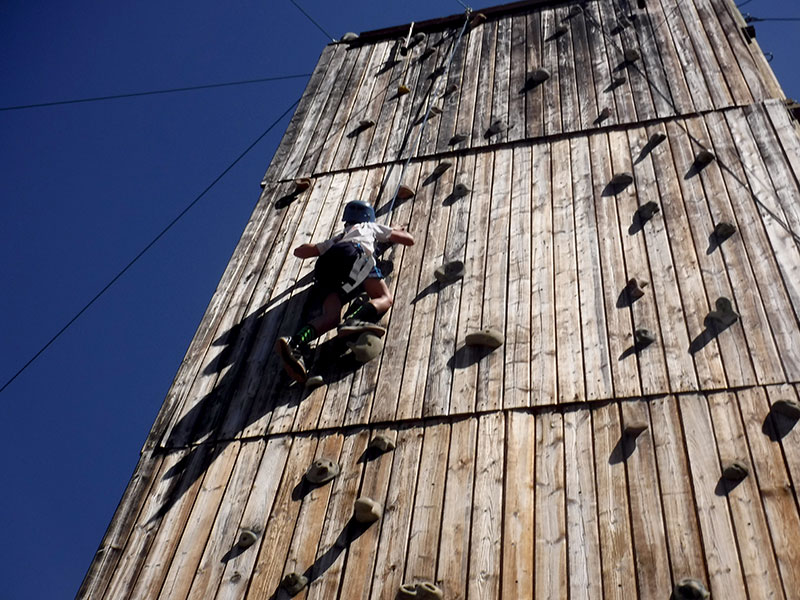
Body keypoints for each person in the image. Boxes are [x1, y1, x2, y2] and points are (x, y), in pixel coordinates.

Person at [276, 200, 415, 383]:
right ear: (369, 218)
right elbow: (409, 241)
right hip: (353, 254)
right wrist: (395, 231)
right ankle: (354, 320)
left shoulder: (339, 237)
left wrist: (302, 247)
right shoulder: (370, 226)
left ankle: (295, 343)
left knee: (331, 316)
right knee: (384, 297)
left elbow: (303, 252)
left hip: (325, 267)